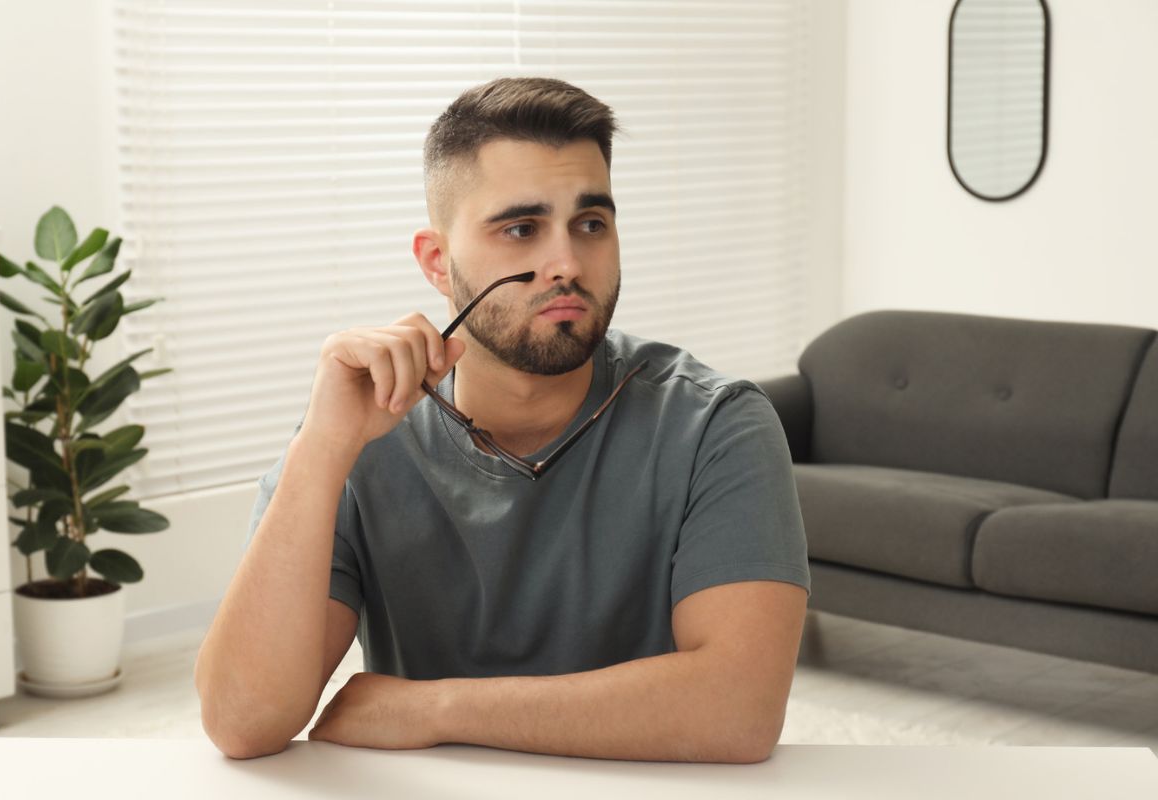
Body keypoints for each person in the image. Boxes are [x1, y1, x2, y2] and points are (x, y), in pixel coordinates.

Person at [194, 76, 811, 764]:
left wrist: (434, 707)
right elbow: (242, 721)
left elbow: (739, 710)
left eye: (591, 224)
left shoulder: (716, 425)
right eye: (521, 228)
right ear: (436, 261)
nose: (567, 264)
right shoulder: (362, 434)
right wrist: (323, 446)